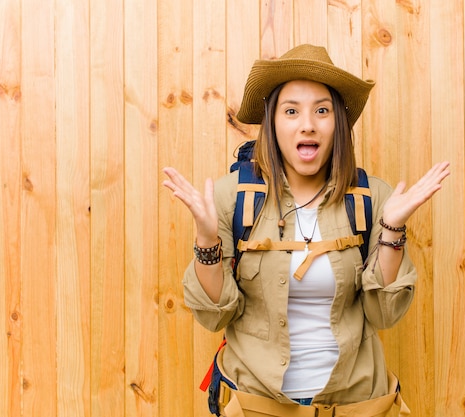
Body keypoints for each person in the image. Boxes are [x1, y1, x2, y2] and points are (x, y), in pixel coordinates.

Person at [163, 44, 450, 416]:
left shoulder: (372, 198)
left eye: (322, 110)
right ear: (273, 122)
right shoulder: (231, 196)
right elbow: (215, 315)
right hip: (256, 403)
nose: (307, 123)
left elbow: (383, 315)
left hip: (358, 403)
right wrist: (207, 238)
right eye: (291, 111)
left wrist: (393, 228)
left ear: (337, 123)